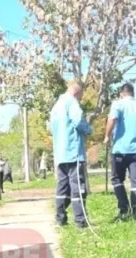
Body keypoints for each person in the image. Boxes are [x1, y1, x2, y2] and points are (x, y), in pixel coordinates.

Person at [103, 83, 136, 221]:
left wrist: (107, 136)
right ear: (133, 93)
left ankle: (124, 209)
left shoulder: (117, 105)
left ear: (121, 93)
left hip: (120, 149)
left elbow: (112, 119)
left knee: (117, 179)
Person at [49, 81, 92, 228]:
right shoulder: (71, 102)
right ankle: (80, 220)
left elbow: (51, 128)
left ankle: (60, 218)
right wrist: (88, 130)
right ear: (76, 92)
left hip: (60, 153)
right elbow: (79, 120)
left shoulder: (56, 106)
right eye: (81, 95)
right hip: (73, 152)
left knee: (62, 187)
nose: (80, 99)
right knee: (78, 187)